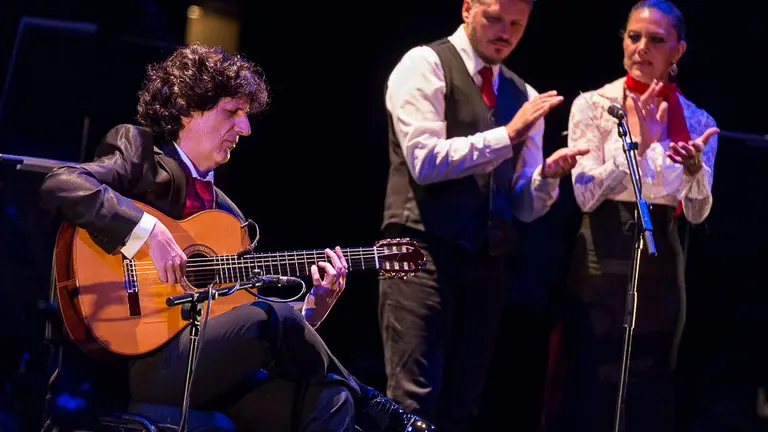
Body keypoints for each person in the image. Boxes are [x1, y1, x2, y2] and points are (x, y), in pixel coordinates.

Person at [39, 43, 435, 432]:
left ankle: (357, 400)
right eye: (232, 112)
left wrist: (312, 310)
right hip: (131, 366)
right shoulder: (140, 153)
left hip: (201, 368)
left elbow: (238, 324)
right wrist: (148, 232)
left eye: (246, 116)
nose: (244, 129)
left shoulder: (229, 217)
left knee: (330, 400)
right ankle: (377, 406)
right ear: (187, 108)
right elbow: (62, 185)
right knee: (273, 316)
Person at [378, 0, 589, 430]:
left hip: (486, 261)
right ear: (467, 8)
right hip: (418, 251)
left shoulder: (523, 94)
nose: (506, 31)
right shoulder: (425, 64)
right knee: (412, 400)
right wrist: (508, 135)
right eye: (495, 17)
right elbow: (424, 160)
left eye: (517, 24)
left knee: (464, 402)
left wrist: (547, 178)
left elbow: (523, 206)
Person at [542, 1, 719, 431]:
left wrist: (696, 172)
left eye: (656, 40)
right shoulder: (594, 105)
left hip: (663, 256)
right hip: (601, 254)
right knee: (592, 372)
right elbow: (585, 196)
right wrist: (635, 146)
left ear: (677, 51)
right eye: (633, 36)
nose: (641, 48)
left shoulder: (697, 120)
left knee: (651, 376)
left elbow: (696, 212)